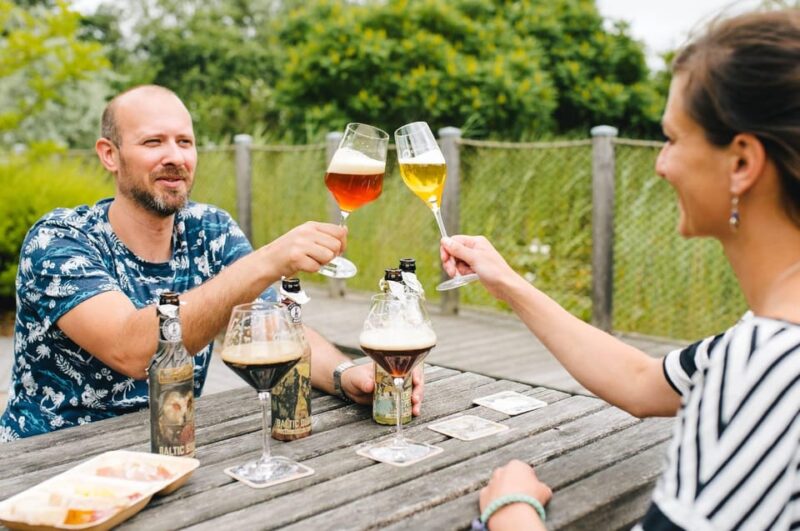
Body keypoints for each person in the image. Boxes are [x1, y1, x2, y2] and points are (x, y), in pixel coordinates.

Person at [441, 8, 800, 530]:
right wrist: (509, 283)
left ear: (742, 163)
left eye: (673, 139)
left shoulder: (763, 368)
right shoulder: (767, 340)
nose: (660, 164)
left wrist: (510, 509)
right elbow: (642, 382)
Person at [0, 85, 423, 442]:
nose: (175, 157)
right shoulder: (60, 239)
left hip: (173, 449)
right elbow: (131, 351)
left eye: (185, 142)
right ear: (110, 155)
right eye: (153, 142)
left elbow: (277, 325)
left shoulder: (209, 229)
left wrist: (347, 376)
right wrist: (267, 261)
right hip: (47, 461)